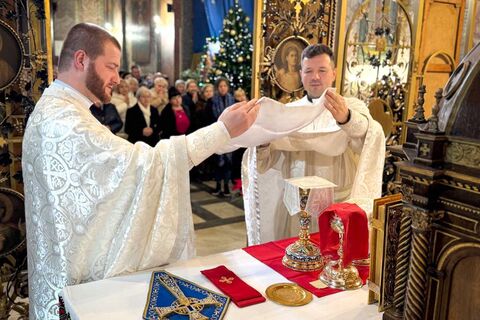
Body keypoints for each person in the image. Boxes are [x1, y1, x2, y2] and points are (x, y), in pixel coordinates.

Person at [22, 23, 260, 320]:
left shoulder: (57, 107)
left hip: (62, 275)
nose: (115, 78)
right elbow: (141, 165)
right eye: (111, 67)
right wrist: (220, 131)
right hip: (71, 291)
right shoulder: (65, 120)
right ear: (81, 60)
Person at [243, 44, 385, 245]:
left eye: (322, 70)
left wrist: (346, 119)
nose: (315, 77)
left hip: (337, 205)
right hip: (295, 210)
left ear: (334, 73)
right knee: (294, 267)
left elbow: (369, 137)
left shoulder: (351, 106)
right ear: (301, 74)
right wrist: (263, 142)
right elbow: (265, 164)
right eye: (309, 71)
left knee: (332, 265)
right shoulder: (288, 112)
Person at [206, 77, 236, 196]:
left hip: (229, 135)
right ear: (217, 88)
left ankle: (227, 187)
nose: (223, 88)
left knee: (228, 162)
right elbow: (208, 118)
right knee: (218, 162)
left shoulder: (233, 100)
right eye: (220, 86)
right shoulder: (211, 101)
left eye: (225, 86)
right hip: (216, 134)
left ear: (227, 87)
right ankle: (218, 186)